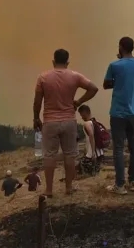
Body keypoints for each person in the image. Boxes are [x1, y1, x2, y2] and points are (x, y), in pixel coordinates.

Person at [34, 48, 99, 197]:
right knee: (69, 155)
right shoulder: (75, 76)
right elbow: (93, 88)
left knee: (49, 156)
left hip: (50, 121)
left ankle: (49, 190)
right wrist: (78, 102)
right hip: (69, 120)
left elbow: (37, 101)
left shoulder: (43, 77)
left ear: (53, 61)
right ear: (67, 62)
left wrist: (36, 118)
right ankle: (69, 188)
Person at [103, 36, 134, 194]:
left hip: (118, 112)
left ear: (121, 47)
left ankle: (120, 185)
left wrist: (118, 80)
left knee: (119, 149)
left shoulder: (115, 65)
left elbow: (106, 84)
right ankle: (133, 182)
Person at [77, 104, 105, 176]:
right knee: (94, 173)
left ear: (84, 113)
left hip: (92, 154)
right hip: (100, 153)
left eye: (81, 114)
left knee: (80, 170)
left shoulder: (87, 124)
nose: (81, 117)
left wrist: (92, 153)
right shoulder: (95, 123)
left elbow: (91, 136)